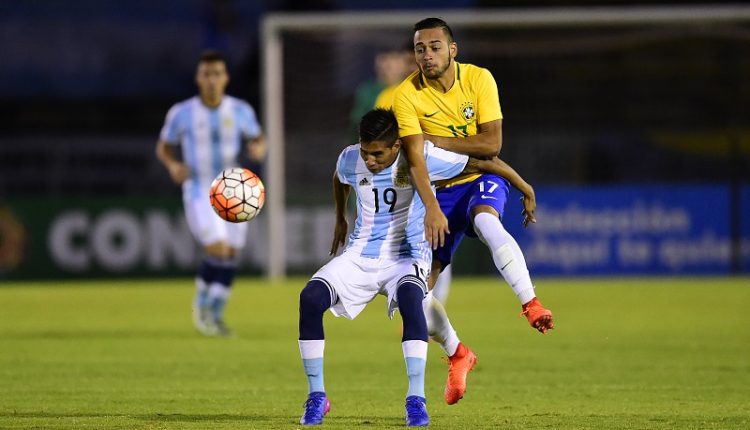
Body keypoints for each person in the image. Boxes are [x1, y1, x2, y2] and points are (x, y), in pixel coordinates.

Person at [298, 108, 533, 426]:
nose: (369, 160)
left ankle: (416, 400)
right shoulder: (350, 158)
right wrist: (340, 216)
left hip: (407, 257)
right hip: (360, 256)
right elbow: (339, 178)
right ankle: (316, 397)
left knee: (413, 300)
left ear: (396, 146)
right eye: (366, 152)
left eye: (377, 154)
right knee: (310, 298)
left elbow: (483, 162)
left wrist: (524, 187)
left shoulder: (422, 156)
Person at [391, 18, 554, 405]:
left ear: (453, 49)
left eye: (434, 47)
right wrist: (431, 206)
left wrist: (436, 138)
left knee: (485, 219)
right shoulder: (405, 95)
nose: (427, 55)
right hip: (438, 195)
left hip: (478, 181)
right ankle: (458, 353)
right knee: (410, 300)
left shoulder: (479, 79)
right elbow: (417, 160)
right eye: (420, 49)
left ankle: (531, 304)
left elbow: (492, 143)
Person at [156, 50, 266, 337]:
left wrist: (258, 148)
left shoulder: (240, 110)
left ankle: (214, 311)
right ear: (198, 78)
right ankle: (202, 307)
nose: (212, 80)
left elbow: (258, 138)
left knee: (230, 253)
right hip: (198, 190)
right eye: (207, 74)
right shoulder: (182, 113)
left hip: (234, 189)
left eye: (217, 73)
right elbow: (164, 146)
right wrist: (173, 165)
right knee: (217, 248)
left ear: (226, 78)